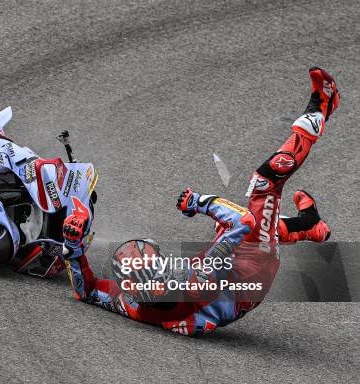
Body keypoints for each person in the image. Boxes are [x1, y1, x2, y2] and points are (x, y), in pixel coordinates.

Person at [62, 67, 339, 336]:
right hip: (254, 266)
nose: (163, 261)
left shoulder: (134, 305)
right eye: (158, 263)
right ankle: (322, 107)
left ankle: (308, 224)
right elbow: (242, 222)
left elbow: (85, 291)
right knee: (264, 184)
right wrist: (198, 202)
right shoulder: (199, 279)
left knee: (240, 230)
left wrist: (72, 245)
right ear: (160, 279)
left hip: (236, 293)